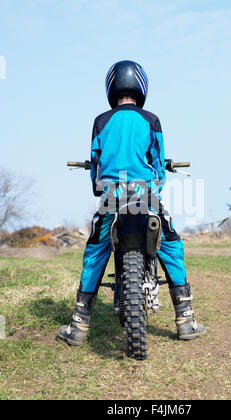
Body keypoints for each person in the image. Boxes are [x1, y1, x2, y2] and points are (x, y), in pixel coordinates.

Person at [57, 60, 206, 346]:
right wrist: (156, 183)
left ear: (111, 89)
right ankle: (185, 320)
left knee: (95, 251)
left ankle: (78, 326)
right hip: (144, 198)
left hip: (111, 199)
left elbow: (95, 166)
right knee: (172, 242)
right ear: (141, 87)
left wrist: (96, 187)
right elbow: (159, 164)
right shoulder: (151, 120)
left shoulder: (101, 121)